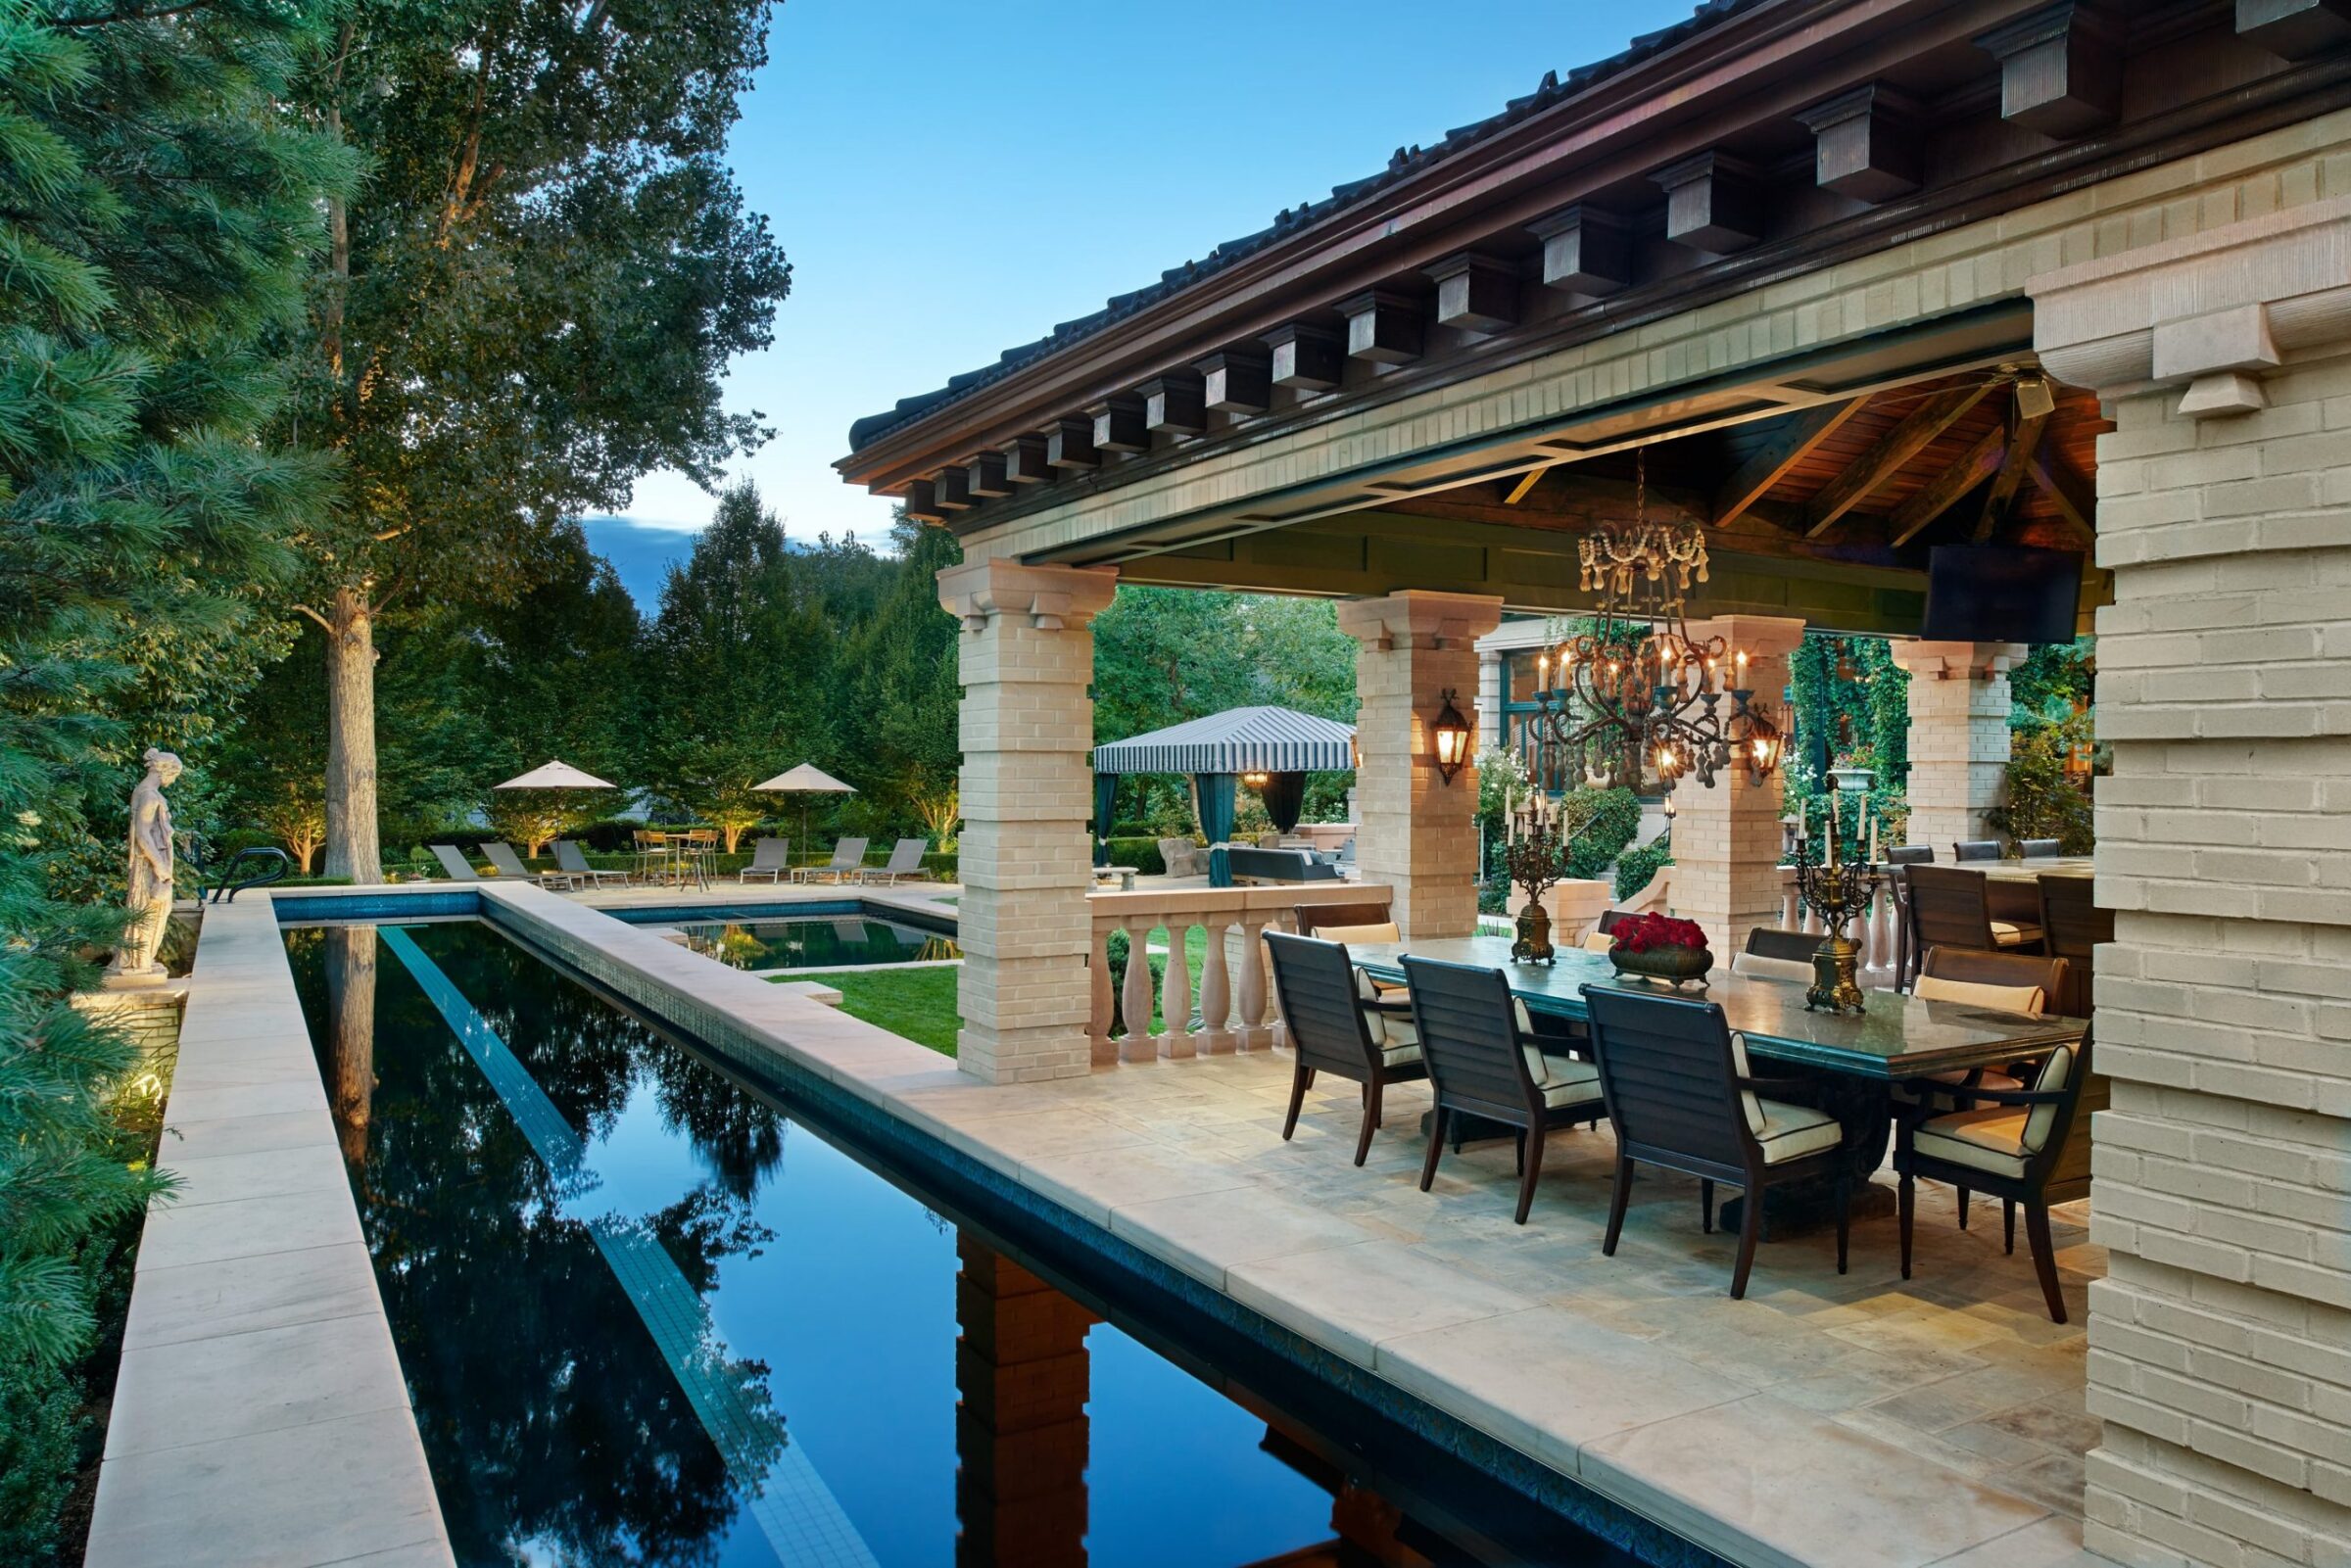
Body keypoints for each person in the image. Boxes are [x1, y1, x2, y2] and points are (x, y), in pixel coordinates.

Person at [109, 748, 183, 982]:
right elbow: (142, 833)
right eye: (175, 775)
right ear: (166, 771)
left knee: (150, 909)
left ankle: (140, 959)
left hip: (150, 861)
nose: (174, 780)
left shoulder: (142, 791)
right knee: (151, 909)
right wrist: (160, 866)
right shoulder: (150, 795)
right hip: (151, 864)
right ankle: (138, 961)